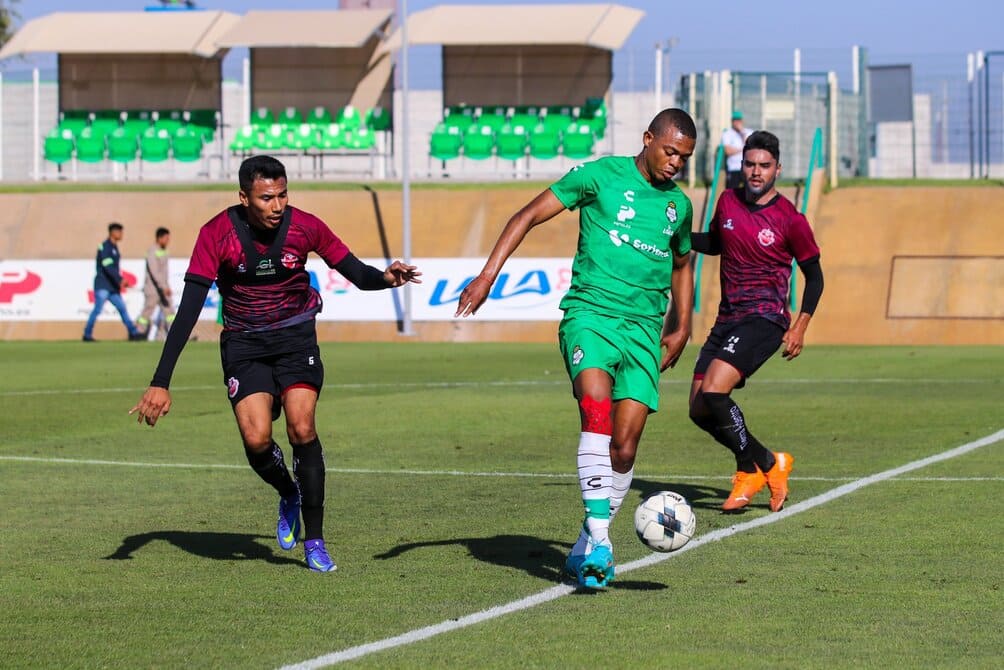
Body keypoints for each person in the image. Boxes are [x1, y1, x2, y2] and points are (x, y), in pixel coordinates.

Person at [129, 156, 421, 573]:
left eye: (283, 195)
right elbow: (190, 308)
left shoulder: (306, 226)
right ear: (244, 197)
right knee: (256, 439)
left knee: (302, 427)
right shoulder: (216, 234)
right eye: (267, 198)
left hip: (295, 336)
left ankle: (315, 540)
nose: (278, 205)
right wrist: (161, 381)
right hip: (244, 344)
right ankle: (288, 492)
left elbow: (353, 270)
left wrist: (385, 278)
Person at [456, 108, 697, 589]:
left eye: (684, 158)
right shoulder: (599, 175)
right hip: (590, 317)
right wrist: (487, 276)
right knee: (596, 411)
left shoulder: (680, 206)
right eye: (670, 151)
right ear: (648, 138)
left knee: (624, 449)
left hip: (645, 330)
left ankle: (586, 544)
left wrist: (683, 324)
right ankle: (603, 543)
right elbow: (526, 215)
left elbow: (684, 262)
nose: (675, 163)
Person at [688, 130, 824, 513]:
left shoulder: (790, 220)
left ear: (777, 169)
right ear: (741, 165)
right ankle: (763, 463)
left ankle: (755, 465)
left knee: (715, 391)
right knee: (699, 410)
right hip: (727, 320)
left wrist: (800, 325)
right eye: (750, 164)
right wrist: (677, 236)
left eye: (765, 165)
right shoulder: (727, 201)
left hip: (765, 319)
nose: (756, 171)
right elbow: (715, 244)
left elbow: (815, 277)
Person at [82, 222, 145, 342]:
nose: (121, 234)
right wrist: (120, 279)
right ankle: (87, 334)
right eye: (120, 232)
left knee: (122, 308)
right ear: (113, 232)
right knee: (97, 309)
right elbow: (107, 266)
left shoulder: (114, 247)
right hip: (103, 285)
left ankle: (133, 332)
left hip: (112, 287)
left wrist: (118, 281)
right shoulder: (105, 246)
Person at [136, 227, 175, 339]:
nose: (168, 240)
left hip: (163, 288)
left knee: (169, 312)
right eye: (166, 238)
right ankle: (138, 333)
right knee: (147, 312)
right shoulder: (152, 251)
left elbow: (164, 273)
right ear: (159, 238)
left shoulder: (165, 251)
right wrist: (163, 287)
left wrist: (166, 286)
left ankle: (176, 333)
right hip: (153, 289)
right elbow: (154, 272)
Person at [721, 110, 753, 189]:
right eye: (735, 120)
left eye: (738, 120)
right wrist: (743, 148)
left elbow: (750, 146)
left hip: (747, 167)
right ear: (732, 121)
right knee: (731, 192)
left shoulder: (748, 132)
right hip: (733, 168)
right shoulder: (727, 133)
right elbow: (728, 151)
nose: (737, 122)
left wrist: (742, 132)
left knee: (749, 191)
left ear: (742, 121)